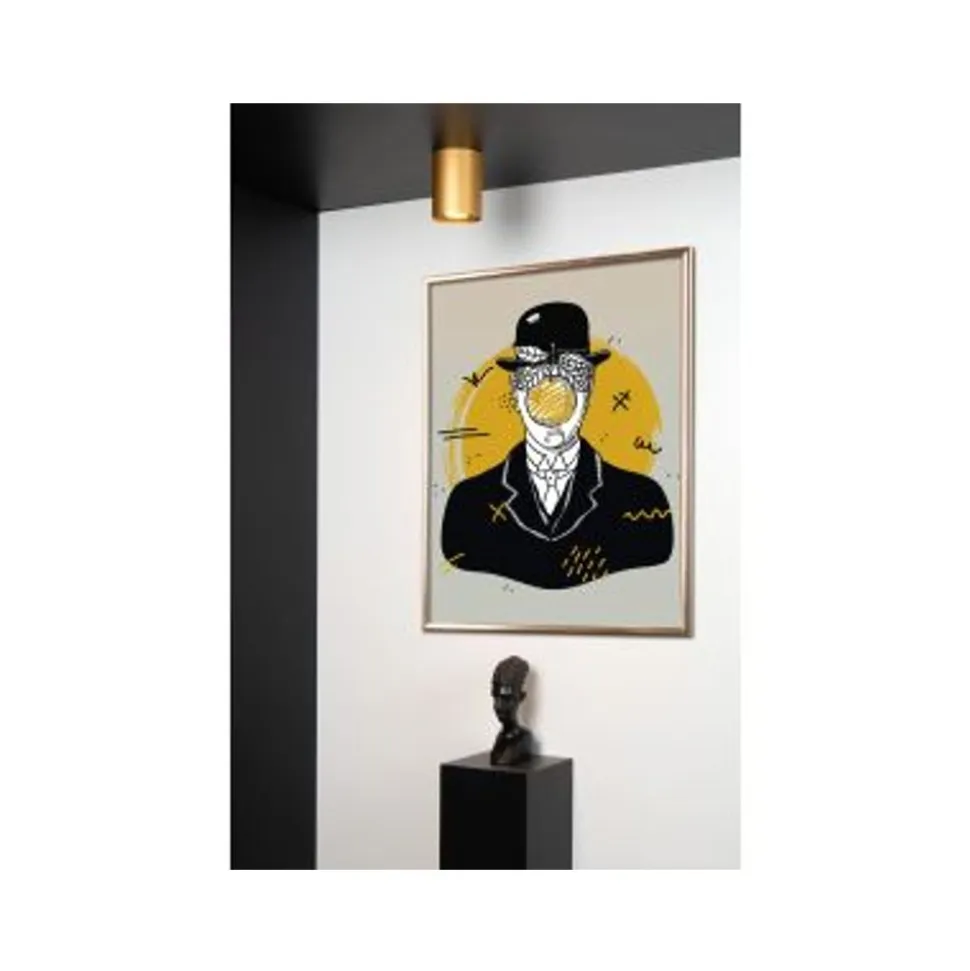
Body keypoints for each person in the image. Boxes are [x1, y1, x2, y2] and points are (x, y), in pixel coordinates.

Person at [441, 301, 673, 589]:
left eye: (571, 375)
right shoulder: (468, 505)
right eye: (534, 376)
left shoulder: (642, 503)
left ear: (589, 388)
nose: (553, 394)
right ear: (516, 390)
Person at [490, 656, 534, 766]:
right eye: (496, 697)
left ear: (521, 697)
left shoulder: (522, 739)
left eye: (507, 699)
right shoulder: (501, 738)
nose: (499, 706)